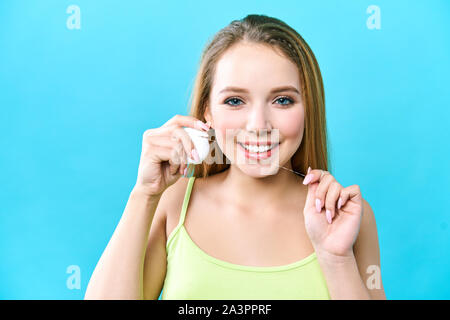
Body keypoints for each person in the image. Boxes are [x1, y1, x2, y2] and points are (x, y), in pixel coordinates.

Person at [85, 14, 386, 300]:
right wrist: (144, 194)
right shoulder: (173, 205)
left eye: (282, 100)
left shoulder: (345, 217)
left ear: (308, 109)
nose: (258, 125)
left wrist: (336, 259)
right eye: (234, 101)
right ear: (207, 112)